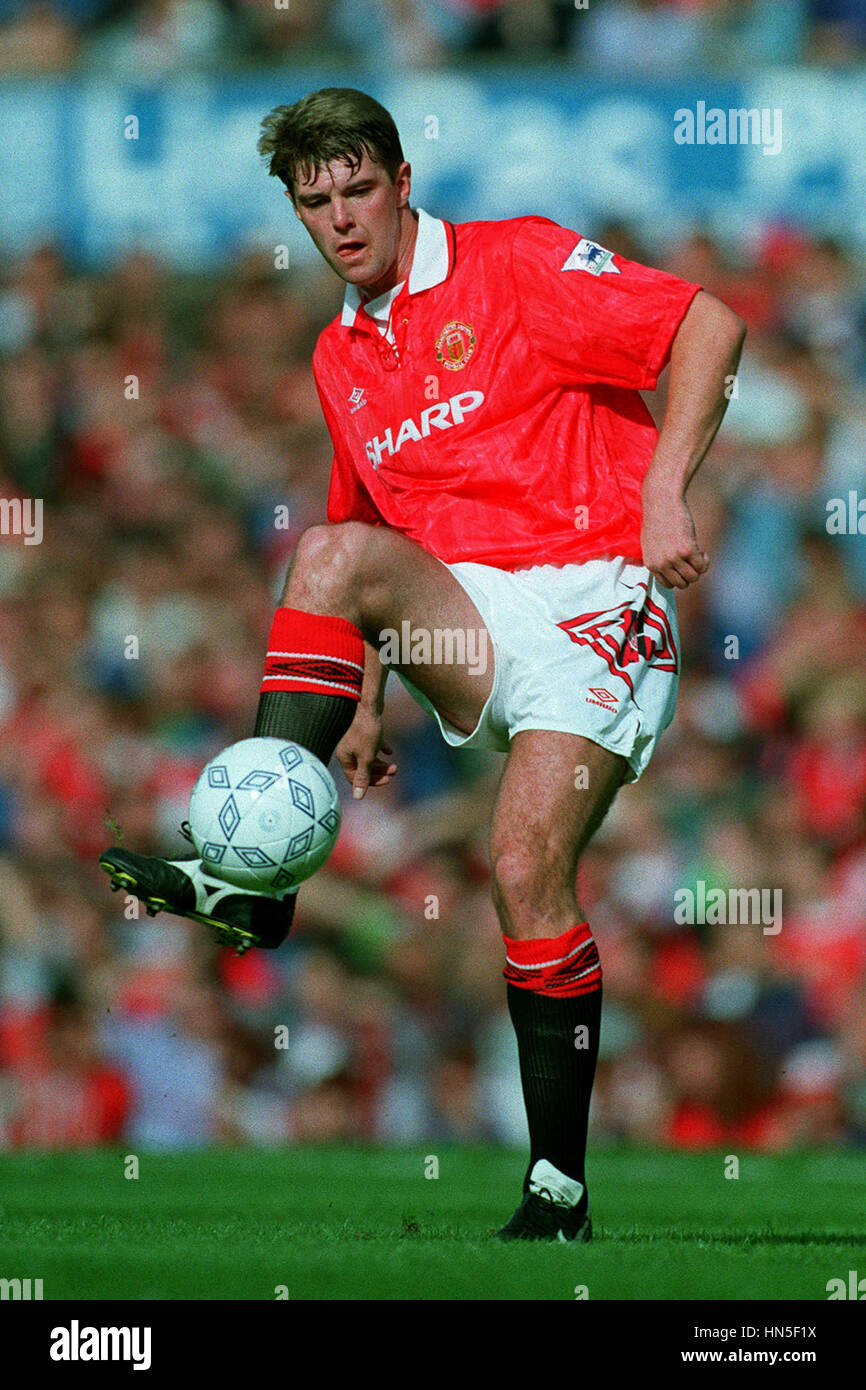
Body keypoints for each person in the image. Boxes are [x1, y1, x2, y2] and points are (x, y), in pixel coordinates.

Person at [100, 87, 745, 1241]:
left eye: (357, 188)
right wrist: (363, 694)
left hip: (598, 587)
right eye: (315, 201)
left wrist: (663, 491)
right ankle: (257, 884)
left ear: (402, 182)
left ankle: (556, 1192)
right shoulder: (338, 354)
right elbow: (367, 539)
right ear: (297, 214)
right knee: (326, 546)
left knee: (519, 869)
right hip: (471, 618)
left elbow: (708, 323)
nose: (340, 217)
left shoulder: (517, 262)